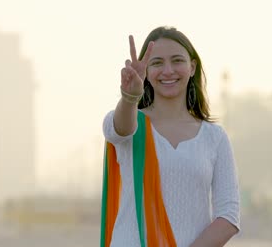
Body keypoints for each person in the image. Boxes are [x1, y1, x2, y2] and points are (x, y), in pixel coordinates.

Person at [100, 26, 240, 247]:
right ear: (145, 71)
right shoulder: (132, 123)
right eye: (156, 63)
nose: (168, 70)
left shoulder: (215, 137)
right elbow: (118, 129)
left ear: (192, 67)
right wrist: (129, 97)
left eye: (177, 61)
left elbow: (229, 215)